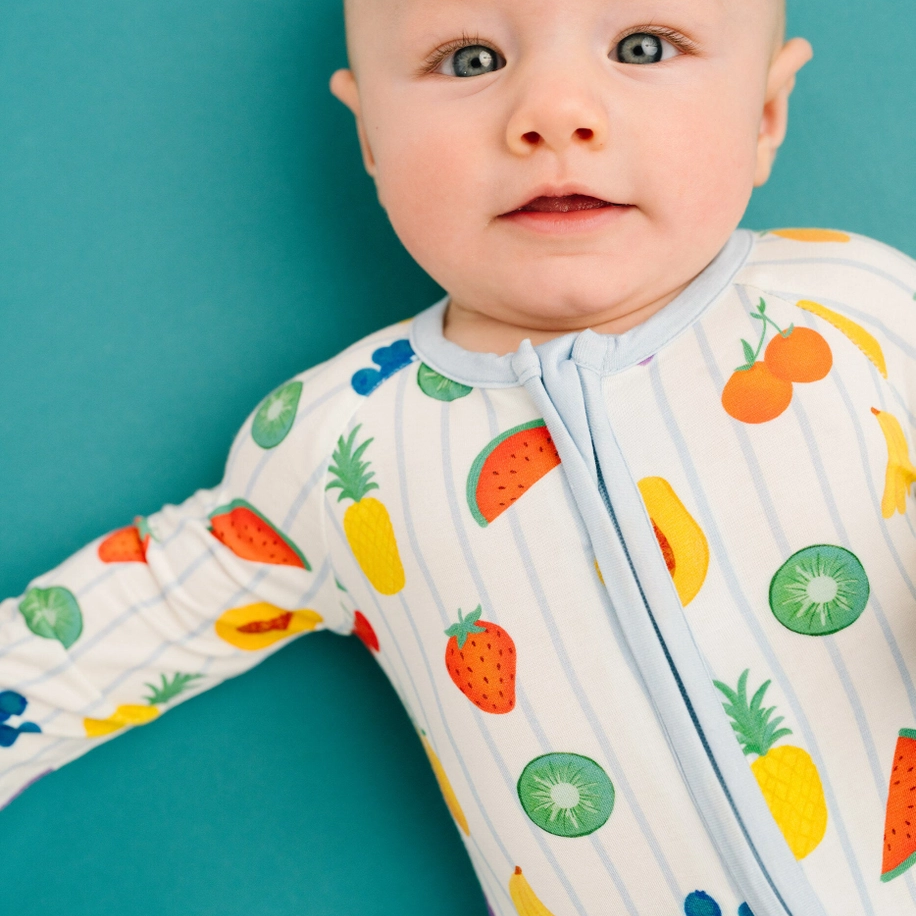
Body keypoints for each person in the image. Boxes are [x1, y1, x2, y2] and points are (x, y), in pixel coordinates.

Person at [2, 0, 915, 913]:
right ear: (371, 136)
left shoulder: (859, 309)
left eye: (642, 47)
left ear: (765, 113)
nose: (554, 112)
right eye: (470, 59)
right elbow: (132, 617)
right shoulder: (337, 440)